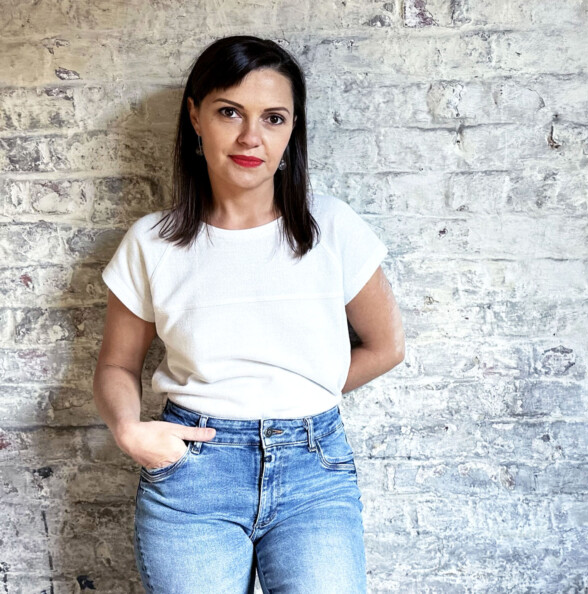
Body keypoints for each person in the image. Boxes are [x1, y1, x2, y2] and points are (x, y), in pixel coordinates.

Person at [92, 35, 405, 594]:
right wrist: (129, 431)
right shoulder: (152, 243)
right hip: (192, 474)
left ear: (292, 130)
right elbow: (117, 364)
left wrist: (302, 391)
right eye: (230, 112)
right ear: (195, 116)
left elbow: (387, 347)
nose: (250, 137)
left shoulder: (331, 228)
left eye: (273, 118)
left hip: (314, 474)